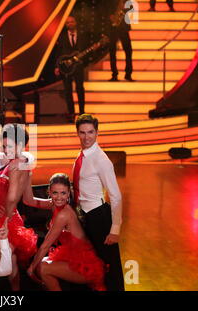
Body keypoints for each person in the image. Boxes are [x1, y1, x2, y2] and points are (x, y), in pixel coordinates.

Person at [23, 173, 106, 291]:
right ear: (49, 192)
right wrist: (28, 174)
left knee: (42, 267)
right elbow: (28, 200)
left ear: (68, 194)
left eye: (63, 193)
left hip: (85, 265)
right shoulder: (53, 204)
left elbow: (46, 245)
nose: (59, 197)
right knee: (42, 263)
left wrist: (31, 268)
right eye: (55, 193)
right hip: (70, 257)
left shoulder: (65, 214)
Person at [72, 114, 124, 291]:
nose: (87, 137)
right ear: (77, 133)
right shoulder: (82, 156)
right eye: (82, 132)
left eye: (91, 132)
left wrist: (115, 228)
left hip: (99, 216)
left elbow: (116, 195)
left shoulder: (101, 160)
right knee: (92, 265)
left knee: (110, 268)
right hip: (85, 216)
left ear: (97, 133)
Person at [0, 124, 37, 291]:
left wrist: (6, 216)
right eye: (4, 146)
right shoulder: (17, 162)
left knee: (3, 264)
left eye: (9, 146)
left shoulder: (16, 166)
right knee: (10, 262)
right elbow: (26, 198)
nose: (6, 150)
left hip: (8, 220)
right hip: (3, 216)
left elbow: (13, 196)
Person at [55, 16, 89, 122]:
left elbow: (86, 50)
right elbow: (57, 53)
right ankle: (71, 114)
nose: (70, 24)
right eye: (68, 22)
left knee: (80, 89)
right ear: (66, 25)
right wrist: (57, 66)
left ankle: (82, 112)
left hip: (78, 67)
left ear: (76, 22)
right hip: (66, 68)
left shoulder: (83, 36)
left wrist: (84, 61)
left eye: (72, 22)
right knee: (68, 91)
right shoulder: (62, 37)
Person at [108, 1, 134, 82]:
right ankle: (114, 74)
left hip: (123, 28)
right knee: (112, 52)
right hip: (113, 28)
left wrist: (124, 9)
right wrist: (111, 15)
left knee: (128, 51)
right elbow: (105, 9)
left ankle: (128, 74)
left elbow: (131, 7)